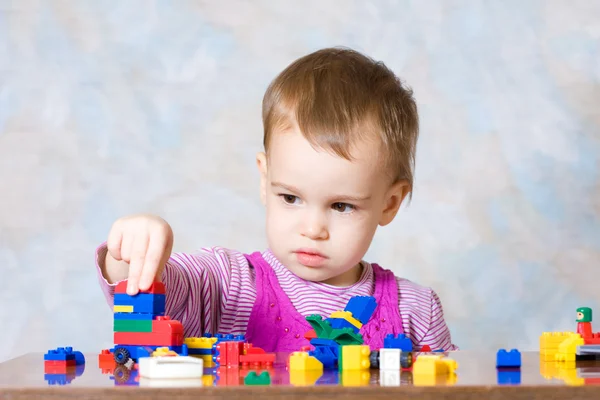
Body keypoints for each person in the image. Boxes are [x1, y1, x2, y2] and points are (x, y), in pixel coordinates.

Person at [95, 47, 457, 352]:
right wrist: (131, 253)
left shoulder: (416, 312)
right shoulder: (228, 285)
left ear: (390, 203)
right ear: (265, 179)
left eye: (341, 206)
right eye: (290, 197)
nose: (312, 229)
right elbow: (148, 297)